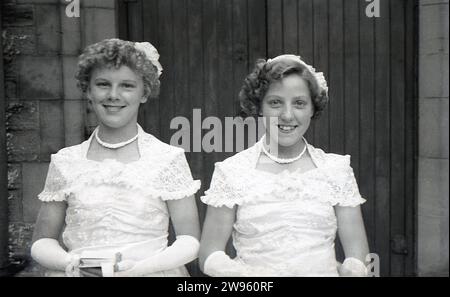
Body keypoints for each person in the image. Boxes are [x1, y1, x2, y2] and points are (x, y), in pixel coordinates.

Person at [30, 38, 201, 277]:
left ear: (144, 93)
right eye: (103, 84)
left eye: (127, 86)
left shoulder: (167, 159)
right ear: (88, 91)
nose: (113, 95)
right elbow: (42, 242)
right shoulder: (66, 161)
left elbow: (189, 241)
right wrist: (71, 263)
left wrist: (138, 270)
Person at [199, 54, 370, 277]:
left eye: (299, 103)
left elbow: (359, 257)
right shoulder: (232, 172)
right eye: (275, 102)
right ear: (259, 106)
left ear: (312, 108)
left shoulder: (336, 170)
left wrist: (352, 270)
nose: (287, 115)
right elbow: (209, 256)